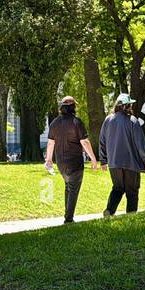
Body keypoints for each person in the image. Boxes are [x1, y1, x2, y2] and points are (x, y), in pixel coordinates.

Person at [44, 96, 99, 224]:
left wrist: (49, 159)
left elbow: (51, 143)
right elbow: (85, 142)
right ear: (73, 107)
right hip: (75, 162)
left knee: (68, 187)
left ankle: (68, 216)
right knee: (73, 189)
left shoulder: (54, 123)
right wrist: (93, 158)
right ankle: (68, 219)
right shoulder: (77, 122)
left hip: (61, 163)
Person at [98, 94, 145, 215]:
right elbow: (140, 144)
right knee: (132, 190)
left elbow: (102, 141)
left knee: (117, 188)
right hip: (131, 163)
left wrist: (103, 160)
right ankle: (131, 214)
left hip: (113, 163)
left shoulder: (108, 120)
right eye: (130, 104)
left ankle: (109, 211)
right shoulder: (133, 121)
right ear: (127, 106)